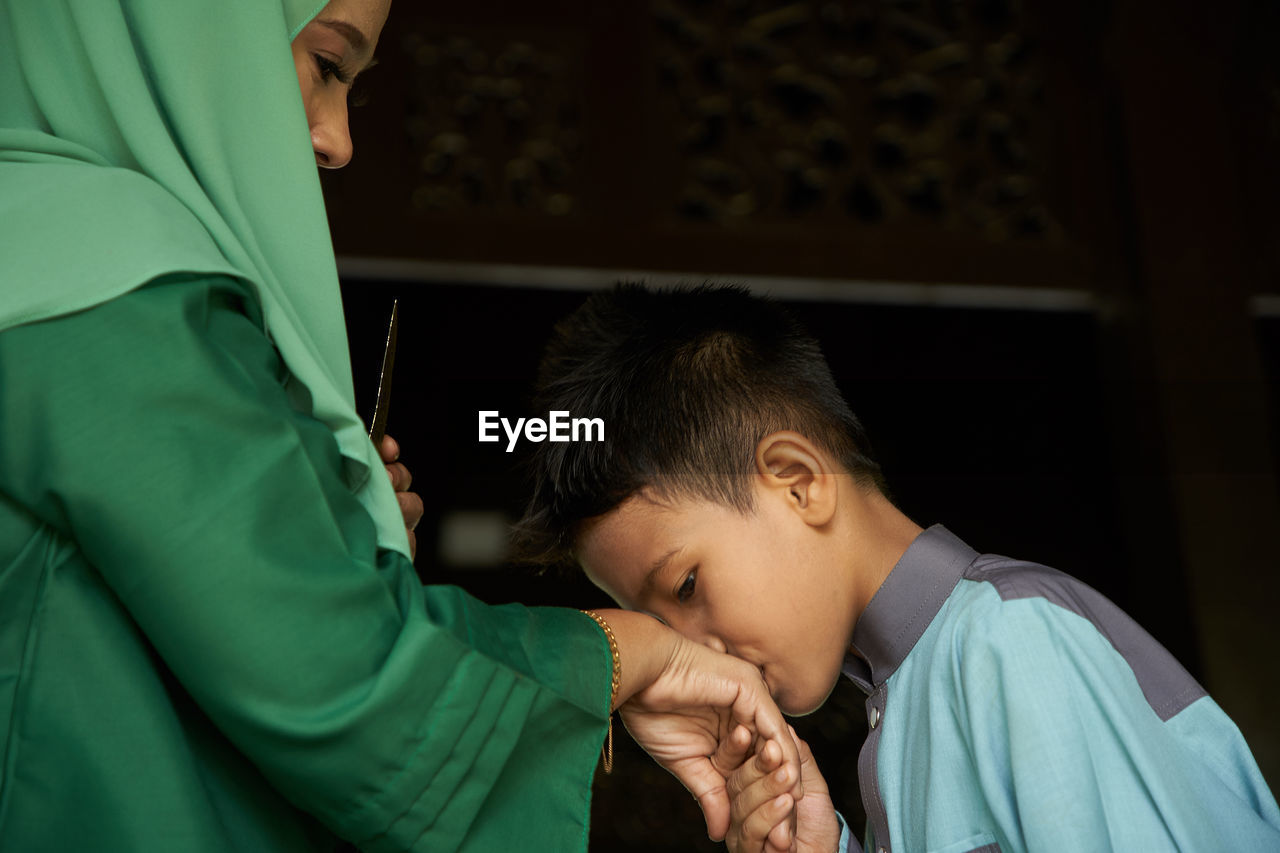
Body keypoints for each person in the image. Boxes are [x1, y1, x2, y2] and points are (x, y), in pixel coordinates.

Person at [0, 2, 801, 850]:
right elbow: (342, 676)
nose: (338, 139)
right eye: (327, 66)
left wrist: (326, 536)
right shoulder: (118, 286)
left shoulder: (45, 256)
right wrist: (632, 652)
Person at [514, 283, 1280, 853]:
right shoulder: (907, 700)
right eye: (659, 624)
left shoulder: (1010, 643)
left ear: (798, 481)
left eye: (686, 585)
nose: (694, 650)